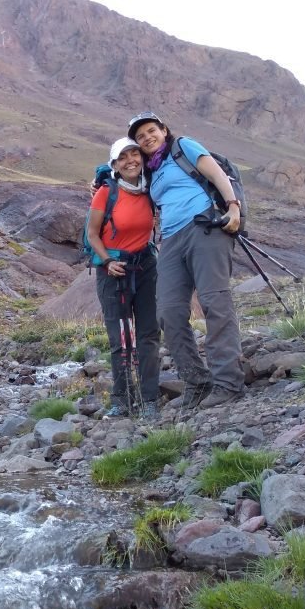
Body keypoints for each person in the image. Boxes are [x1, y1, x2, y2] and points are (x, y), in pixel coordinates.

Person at [127, 111, 244, 409]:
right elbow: (116, 173)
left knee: (214, 301)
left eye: (151, 130)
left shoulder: (184, 147)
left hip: (204, 227)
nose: (147, 137)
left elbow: (216, 174)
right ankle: (197, 381)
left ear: (164, 130)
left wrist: (233, 207)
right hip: (171, 241)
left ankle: (228, 384)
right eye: (140, 136)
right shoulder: (150, 170)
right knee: (168, 311)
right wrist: (98, 178)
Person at [87, 137, 159, 418]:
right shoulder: (106, 192)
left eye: (135, 154)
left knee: (148, 335)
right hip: (112, 271)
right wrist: (107, 260)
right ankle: (122, 400)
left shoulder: (151, 187)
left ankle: (150, 400)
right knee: (120, 339)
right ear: (114, 165)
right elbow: (93, 233)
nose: (131, 161)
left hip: (145, 267)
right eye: (123, 157)